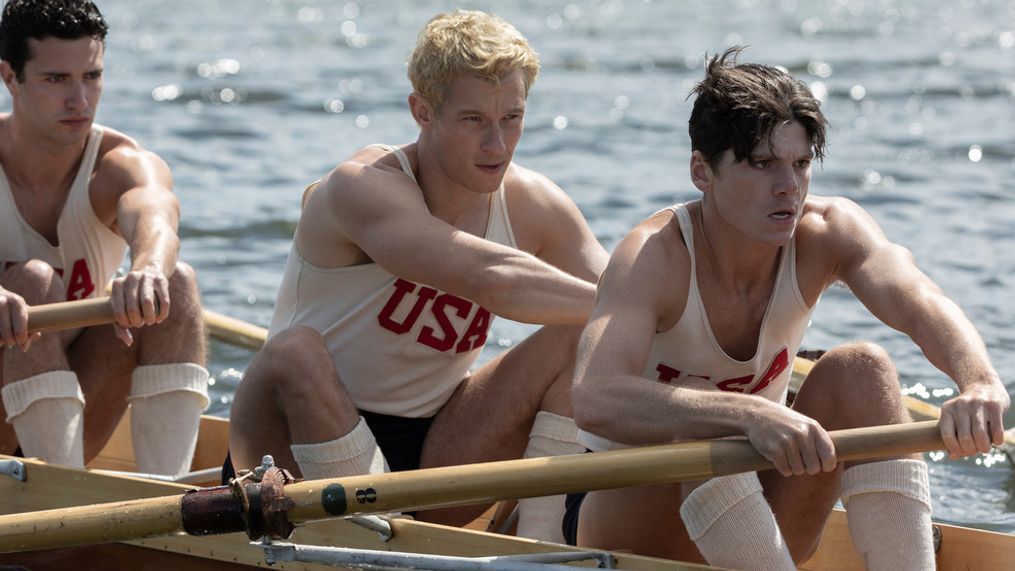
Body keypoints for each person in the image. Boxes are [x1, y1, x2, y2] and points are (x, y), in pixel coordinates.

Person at [568, 47, 1010, 569]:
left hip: (760, 506)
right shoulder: (653, 257)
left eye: (800, 165)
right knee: (698, 413)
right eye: (762, 165)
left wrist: (979, 381)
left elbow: (918, 300)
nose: (789, 188)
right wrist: (746, 412)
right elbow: (594, 397)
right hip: (624, 515)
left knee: (863, 369)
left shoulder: (827, 232)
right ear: (702, 171)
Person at [228, 10, 607, 542]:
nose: (497, 145)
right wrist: (633, 308)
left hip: (435, 450)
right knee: (294, 351)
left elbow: (625, 299)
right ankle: (373, 536)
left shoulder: (536, 204)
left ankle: (541, 546)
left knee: (580, 335)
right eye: (474, 120)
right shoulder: (359, 187)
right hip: (294, 439)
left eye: (512, 118)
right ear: (422, 111)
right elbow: (490, 277)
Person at [0, 0, 208, 477]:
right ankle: (61, 505)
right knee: (32, 282)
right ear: (10, 77)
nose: (80, 101)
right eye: (57, 80)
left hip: (76, 408)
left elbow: (156, 214)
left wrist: (149, 266)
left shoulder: (119, 164)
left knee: (174, 283)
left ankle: (166, 500)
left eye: (91, 76)